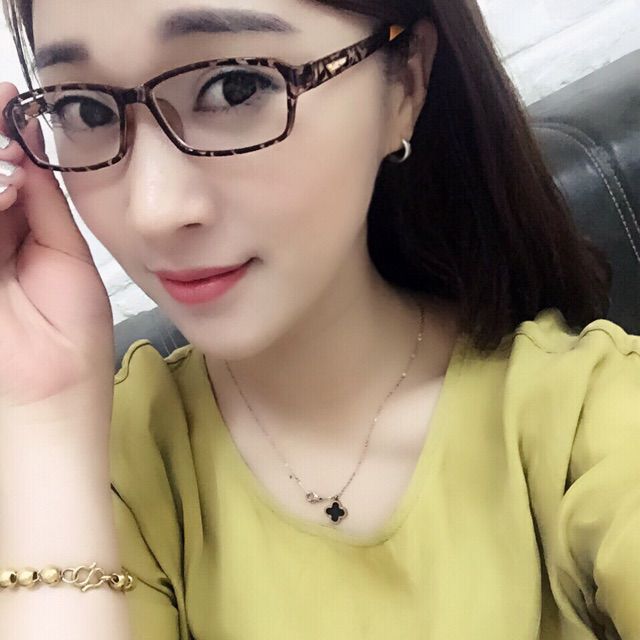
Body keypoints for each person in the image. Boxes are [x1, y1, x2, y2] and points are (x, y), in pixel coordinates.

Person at [0, 0, 638, 638]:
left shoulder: (581, 423)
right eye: (84, 109)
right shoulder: (104, 476)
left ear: (406, 82)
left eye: (235, 86)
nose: (154, 211)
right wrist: (43, 413)